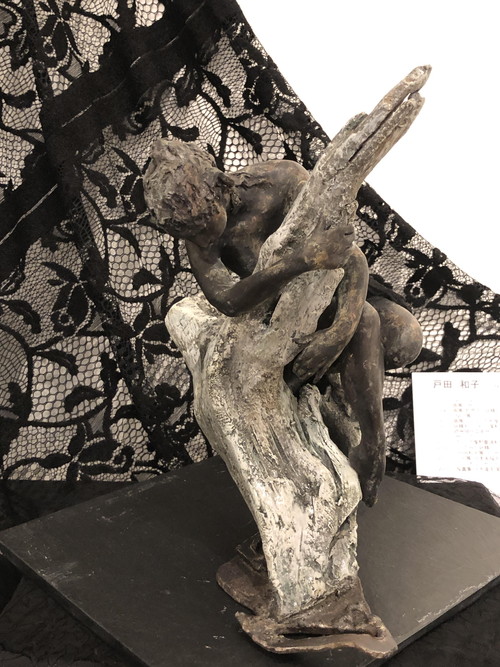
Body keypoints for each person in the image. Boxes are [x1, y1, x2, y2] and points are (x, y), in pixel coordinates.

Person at [143, 139, 423, 505]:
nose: (202, 241)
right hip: (276, 320)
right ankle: (371, 445)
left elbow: (348, 254)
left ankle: (367, 435)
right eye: (190, 235)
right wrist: (301, 260)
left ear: (222, 185)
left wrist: (337, 333)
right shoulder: (196, 234)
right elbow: (228, 300)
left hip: (333, 288)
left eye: (204, 226)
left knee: (402, 339)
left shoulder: (281, 181)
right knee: (366, 321)